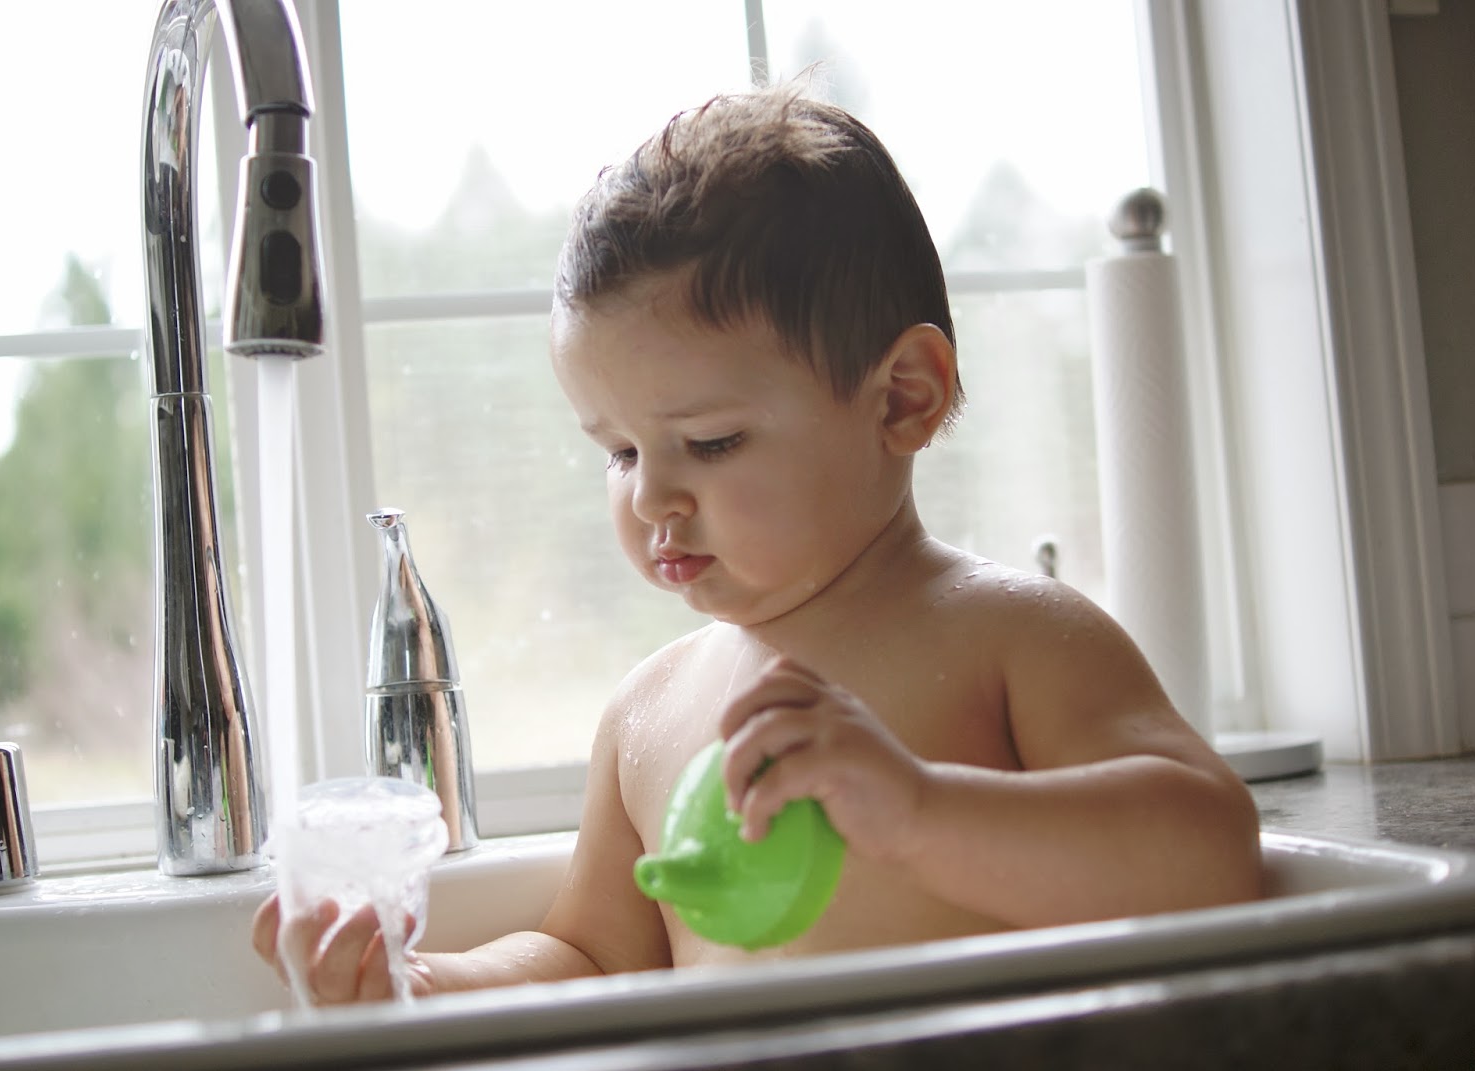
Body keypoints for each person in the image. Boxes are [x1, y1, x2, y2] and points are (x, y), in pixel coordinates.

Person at [252, 80, 1263, 1005]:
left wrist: (922, 812)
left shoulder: (1011, 638)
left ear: (902, 398)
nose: (651, 494)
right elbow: (598, 959)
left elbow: (1210, 853)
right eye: (615, 453)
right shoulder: (646, 715)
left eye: (710, 442)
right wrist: (425, 986)